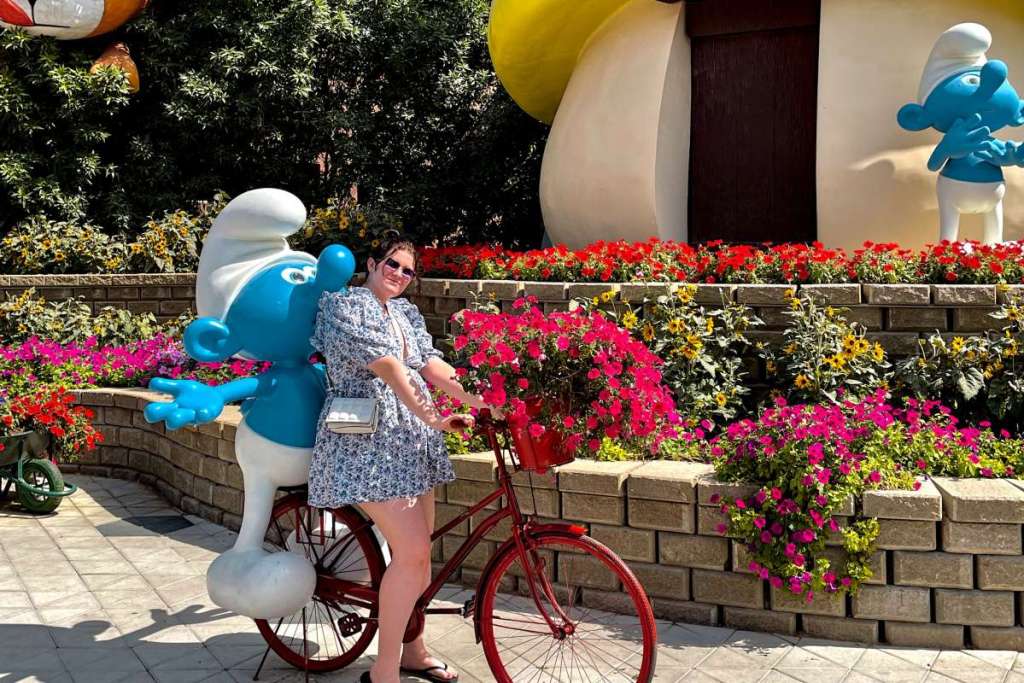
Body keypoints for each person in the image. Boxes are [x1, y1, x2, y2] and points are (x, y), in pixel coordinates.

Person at [309, 234, 500, 683]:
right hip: (364, 445)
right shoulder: (345, 307)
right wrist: (435, 417)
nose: (398, 274)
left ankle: (413, 650)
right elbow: (391, 368)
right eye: (391, 264)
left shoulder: (405, 314)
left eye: (407, 270)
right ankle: (384, 670)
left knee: (416, 555)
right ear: (373, 264)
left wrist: (482, 400)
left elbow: (430, 365)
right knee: (413, 550)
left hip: (409, 442)